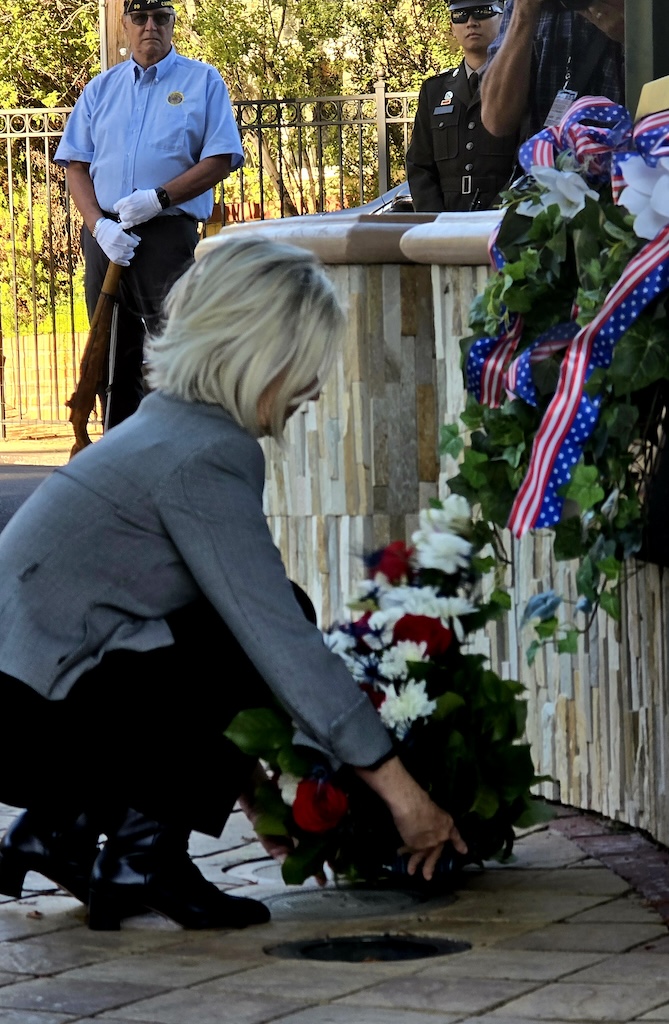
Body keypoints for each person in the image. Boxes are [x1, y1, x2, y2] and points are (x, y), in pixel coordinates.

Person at [0, 236, 466, 931]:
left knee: (217, 633)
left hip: (26, 710)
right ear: (262, 355)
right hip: (29, 724)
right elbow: (275, 642)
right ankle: (138, 859)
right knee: (275, 622)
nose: (312, 387)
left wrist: (244, 787)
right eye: (307, 364)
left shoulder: (164, 424)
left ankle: (65, 833)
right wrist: (402, 794)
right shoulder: (207, 454)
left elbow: (173, 644)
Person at [54, 0, 244, 428]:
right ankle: (119, 455)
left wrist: (158, 198)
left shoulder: (202, 81)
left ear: (173, 23)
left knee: (172, 353)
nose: (149, 27)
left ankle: (172, 450)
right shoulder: (100, 89)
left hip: (166, 234)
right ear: (124, 25)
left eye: (161, 18)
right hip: (106, 236)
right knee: (109, 356)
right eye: (139, 18)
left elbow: (219, 158)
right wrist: (98, 225)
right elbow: (76, 165)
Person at [406, 0, 518, 213]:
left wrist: (498, 217)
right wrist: (435, 222)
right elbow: (419, 165)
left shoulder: (518, 85)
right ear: (452, 27)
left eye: (482, 12)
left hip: (500, 223)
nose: (471, 22)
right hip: (445, 226)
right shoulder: (434, 91)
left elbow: (525, 162)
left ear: (504, 19)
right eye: (460, 15)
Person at [480, 0, 625, 141]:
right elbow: (497, 120)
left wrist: (632, 33)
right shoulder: (523, 6)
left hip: (626, 157)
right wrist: (523, 14)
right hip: (547, 159)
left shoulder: (638, 7)